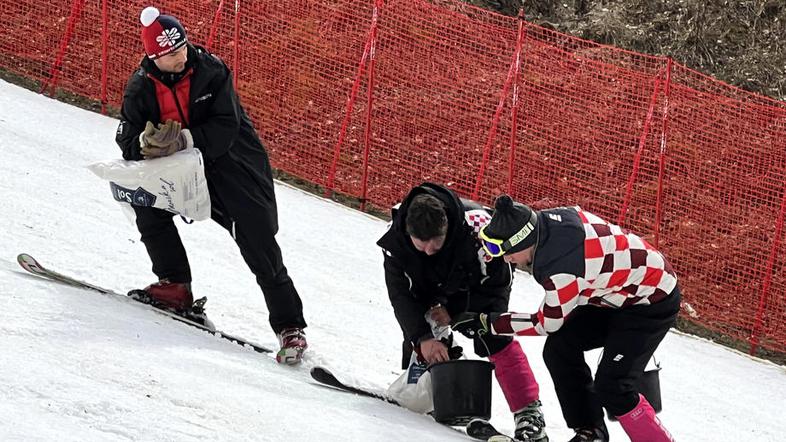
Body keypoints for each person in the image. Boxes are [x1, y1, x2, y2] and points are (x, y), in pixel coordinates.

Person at [114, 6, 307, 364]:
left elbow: (225, 127)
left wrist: (183, 139)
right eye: (172, 53)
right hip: (184, 171)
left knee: (258, 239)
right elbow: (126, 138)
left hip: (232, 166)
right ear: (154, 57)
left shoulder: (211, 71)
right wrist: (144, 144)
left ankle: (290, 326)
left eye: (183, 46)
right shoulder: (141, 87)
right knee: (145, 201)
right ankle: (174, 284)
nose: (182, 55)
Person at [452, 195, 679, 442]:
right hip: (612, 294)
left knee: (613, 386)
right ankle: (591, 431)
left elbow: (546, 323)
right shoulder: (546, 222)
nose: (505, 259)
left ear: (522, 242)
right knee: (560, 349)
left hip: (651, 301)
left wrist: (489, 322)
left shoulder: (561, 268)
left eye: (503, 250)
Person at [377, 183, 548, 441]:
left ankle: (528, 411)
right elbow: (400, 296)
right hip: (429, 281)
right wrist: (422, 339)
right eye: (420, 246)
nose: (428, 251)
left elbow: (496, 285)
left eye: (435, 245)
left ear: (447, 228)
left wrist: (456, 312)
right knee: (421, 331)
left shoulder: (479, 231)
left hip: (479, 283)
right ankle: (428, 388)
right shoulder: (395, 240)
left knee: (492, 336)